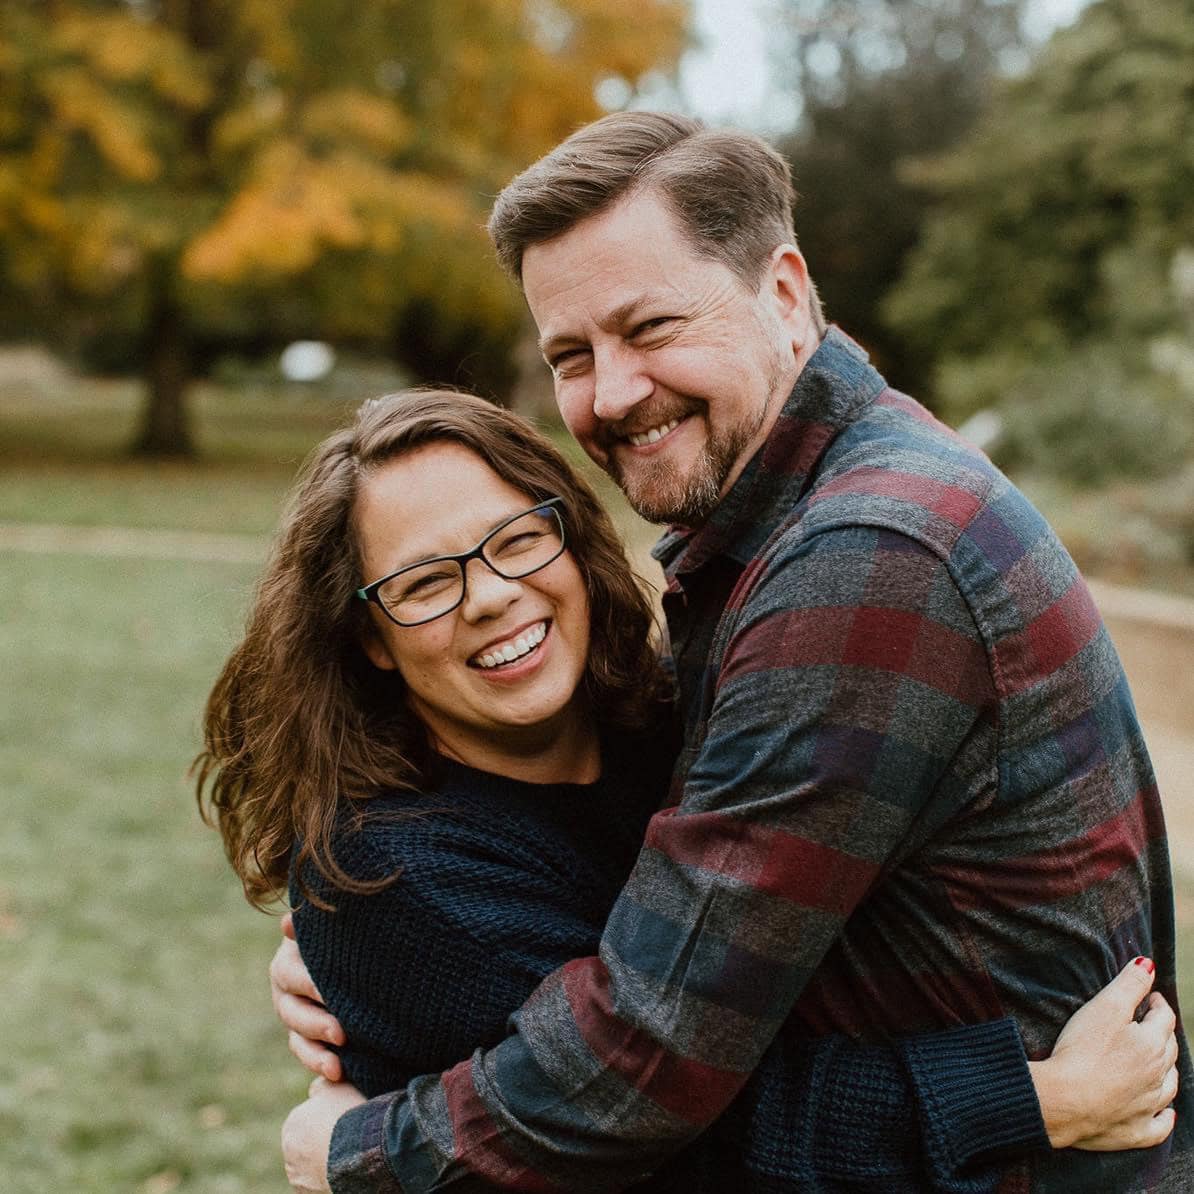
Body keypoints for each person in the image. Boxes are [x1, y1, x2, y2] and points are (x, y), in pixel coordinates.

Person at [272, 112, 1192, 1192]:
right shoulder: (797, 520)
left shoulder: (861, 563)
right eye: (571, 354)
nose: (612, 393)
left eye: (652, 324)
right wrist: (362, 954)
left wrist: (359, 1151)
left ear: (786, 293)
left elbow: (643, 1066)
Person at [203, 388, 1175, 1194]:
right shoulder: (393, 872)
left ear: (573, 543)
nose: (491, 592)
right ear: (370, 638)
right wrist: (1033, 1099)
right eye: (423, 583)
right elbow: (671, 1128)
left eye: (515, 540)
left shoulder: (663, 724)